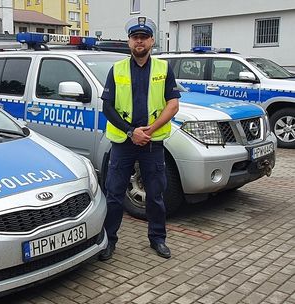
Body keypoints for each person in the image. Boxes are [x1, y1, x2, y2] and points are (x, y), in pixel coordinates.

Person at [99, 16, 180, 261]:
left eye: (144, 37)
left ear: (152, 41)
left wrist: (149, 131)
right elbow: (108, 108)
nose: (139, 42)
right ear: (129, 41)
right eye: (135, 37)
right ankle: (108, 241)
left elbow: (173, 105)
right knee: (114, 194)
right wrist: (130, 131)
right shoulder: (117, 69)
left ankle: (158, 239)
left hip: (152, 144)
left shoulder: (164, 69)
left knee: (155, 195)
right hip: (123, 144)